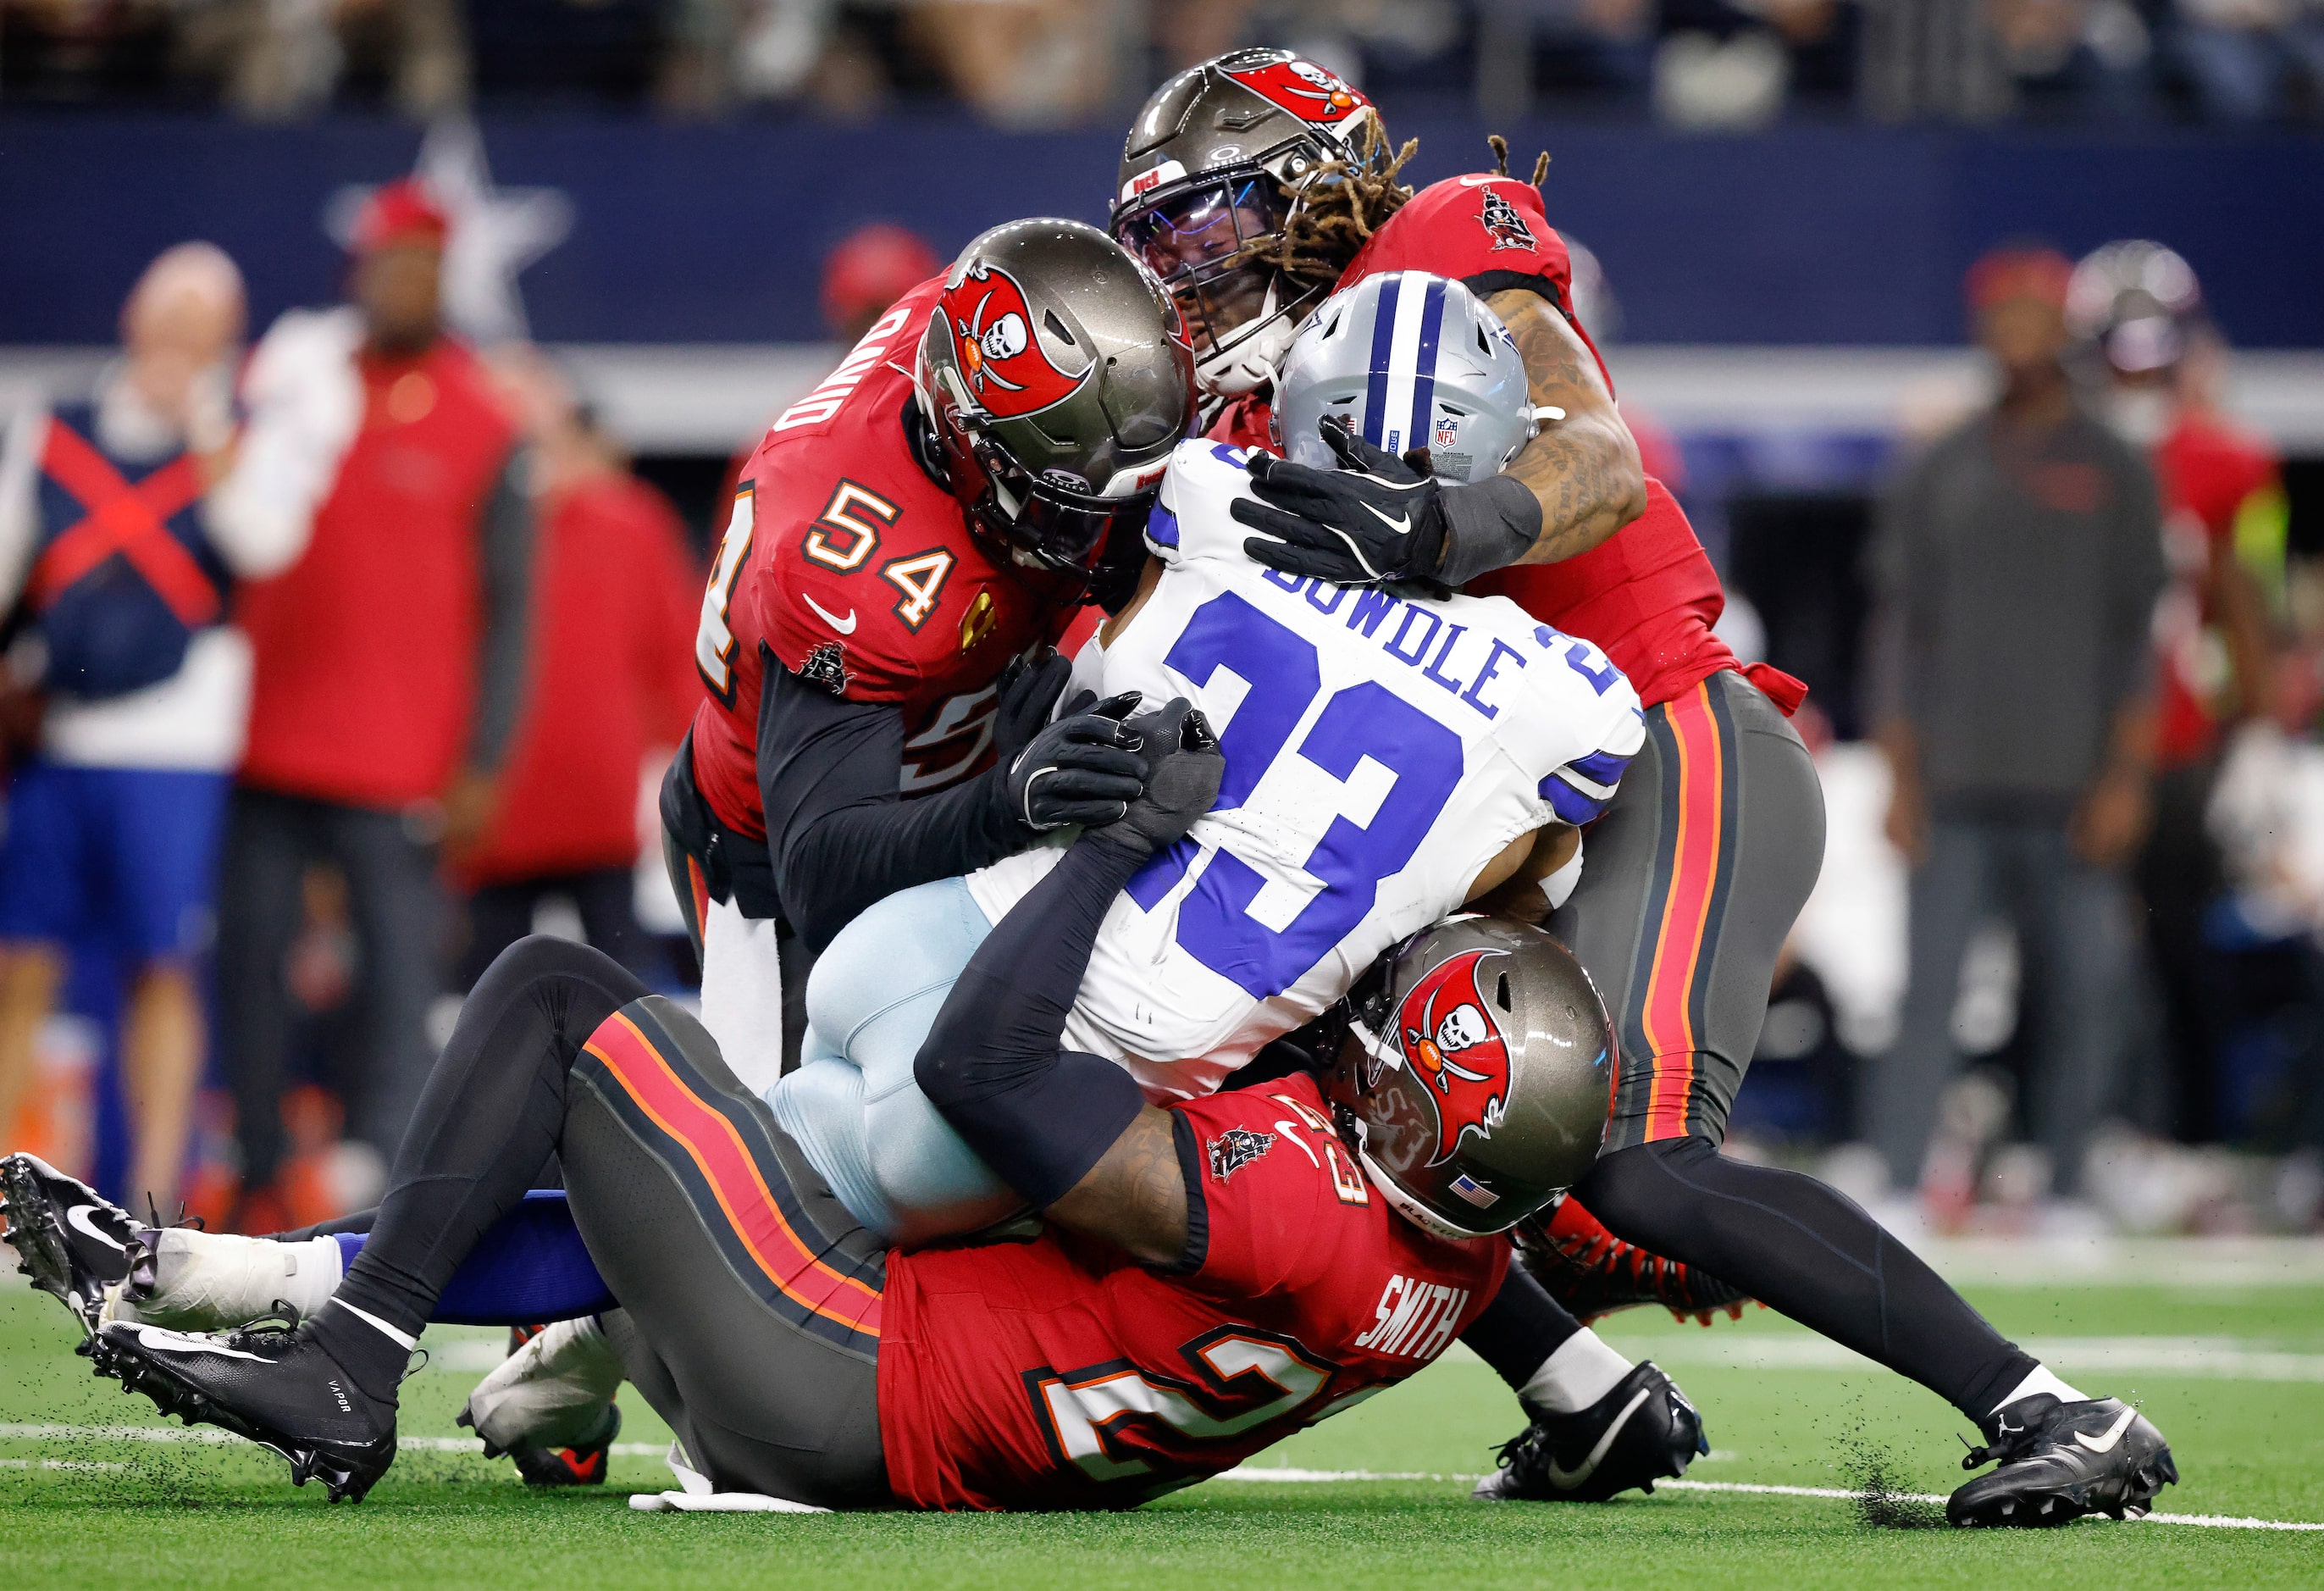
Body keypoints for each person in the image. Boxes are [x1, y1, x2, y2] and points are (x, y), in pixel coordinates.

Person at [1109, 53, 2169, 1524]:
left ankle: (2045, 1405)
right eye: (1158, 242)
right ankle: (1586, 1400)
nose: (1183, 270)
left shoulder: (1439, 246)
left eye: (1203, 227)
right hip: (1487, 829)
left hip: (1670, 747)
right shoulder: (1232, 427)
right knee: (1344, 1112)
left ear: (1301, 192)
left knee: (1642, 1169)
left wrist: (1438, 524)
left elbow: (1593, 455)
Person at [20, 714, 1672, 1516]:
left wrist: (1113, 849)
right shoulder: (1440, 1261)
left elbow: (988, 1078)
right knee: (724, 1142)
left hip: (834, 1379)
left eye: (1385, 1047)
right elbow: (1469, 1253)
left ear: (1401, 1112)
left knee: (553, 997)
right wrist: (1585, 1391)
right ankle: (560, 1379)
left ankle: (352, 1361)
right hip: (885, 1404)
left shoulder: (1281, 1191)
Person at [659, 218, 1194, 1096]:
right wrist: (1005, 800)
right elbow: (821, 874)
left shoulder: (991, 339)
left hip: (948, 754)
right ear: (972, 453)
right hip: (768, 854)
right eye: (1069, 509)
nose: (1108, 543)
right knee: (787, 1183)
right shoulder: (854, 568)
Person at [217, 176, 536, 1229]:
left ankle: (387, 1194)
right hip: (266, 738)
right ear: (358, 266)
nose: (403, 279)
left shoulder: (485, 416)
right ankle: (256, 1169)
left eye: (423, 263)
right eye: (389, 258)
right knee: (249, 966)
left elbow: (509, 607)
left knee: (398, 988)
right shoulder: (295, 381)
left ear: (445, 276)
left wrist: (485, 759)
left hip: (402, 756)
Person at [1867, 246, 2169, 1207]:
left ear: (2064, 328)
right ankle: (1901, 1179)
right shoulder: (1940, 465)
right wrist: (1899, 773)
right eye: (1998, 317)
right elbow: (1902, 626)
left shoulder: (2115, 466)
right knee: (1926, 997)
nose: (2015, 336)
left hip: (2074, 784)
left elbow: (2138, 638)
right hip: (1953, 780)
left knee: (2084, 995)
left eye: (2031, 316)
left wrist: (2127, 777)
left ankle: (2071, 1185)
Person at [0, 243, 300, 1210]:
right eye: (164, 316)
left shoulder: (237, 433)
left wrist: (207, 432)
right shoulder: (58, 425)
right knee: (21, 964)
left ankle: (152, 1192)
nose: (176, 340)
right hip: (64, 736)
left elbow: (262, 540)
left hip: (174, 749)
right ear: (132, 318)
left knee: (161, 970)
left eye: (198, 324)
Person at [2069, 240, 2288, 1144]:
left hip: (2182, 743)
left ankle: (2192, 1137)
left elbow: (2255, 607)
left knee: (2175, 951)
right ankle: (2085, 1131)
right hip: (2072, 743)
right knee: (2076, 957)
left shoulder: (2231, 463)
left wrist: (2264, 734)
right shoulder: (2050, 457)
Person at [452, 350, 700, 989]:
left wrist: (678, 774)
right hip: (488, 817)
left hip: (601, 814)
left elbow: (675, 658)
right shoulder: (455, 534)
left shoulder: (632, 526)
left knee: (627, 1008)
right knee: (481, 1009)